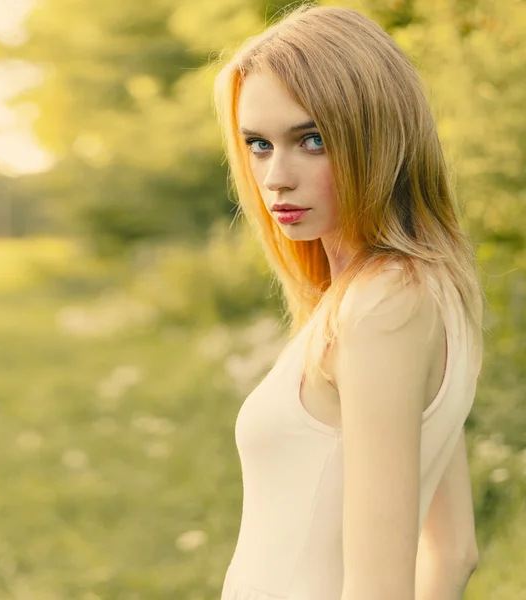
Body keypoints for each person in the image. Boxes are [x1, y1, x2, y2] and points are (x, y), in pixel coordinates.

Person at [212, 3, 485, 600]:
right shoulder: (412, 291)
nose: (275, 177)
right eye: (258, 144)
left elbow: (382, 588)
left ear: (380, 138)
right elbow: (453, 547)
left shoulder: (383, 307)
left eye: (311, 140)